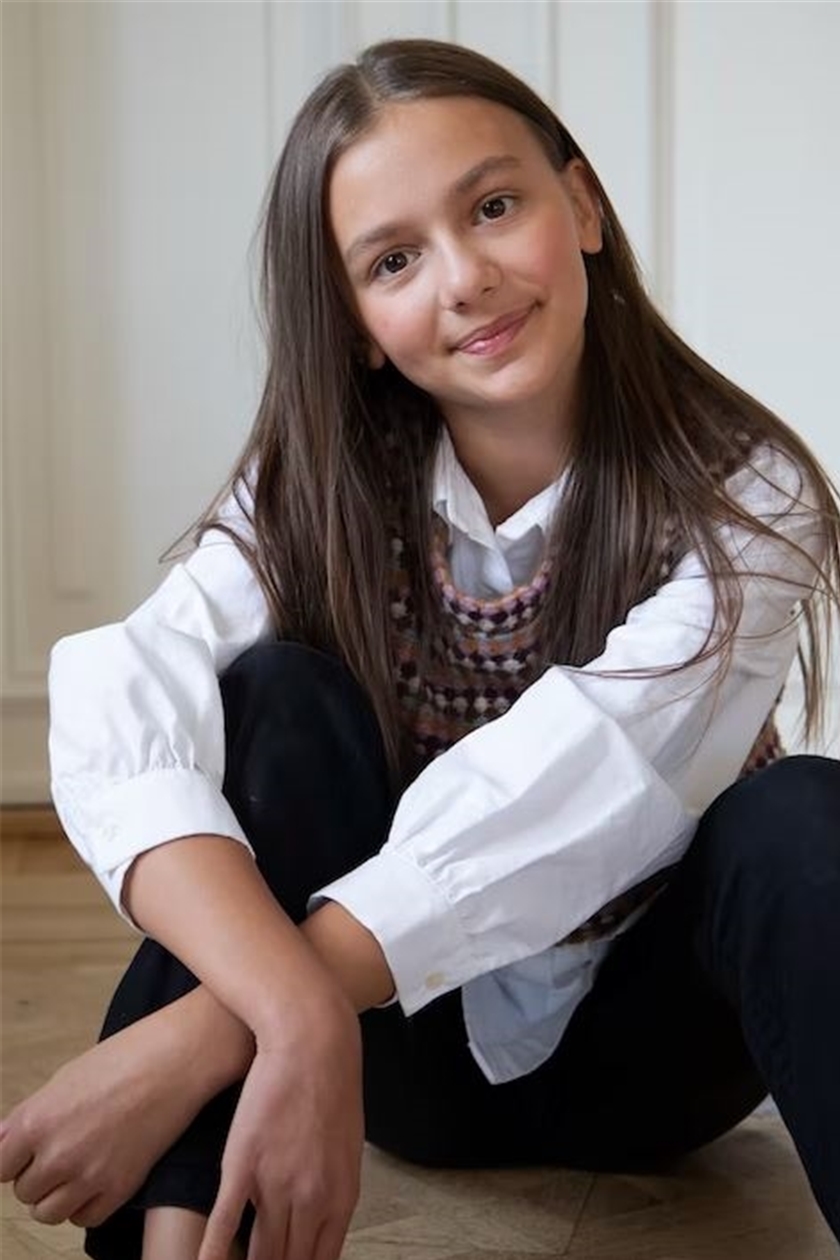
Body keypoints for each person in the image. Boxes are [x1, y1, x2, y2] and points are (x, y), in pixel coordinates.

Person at [1, 35, 839, 1260]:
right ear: (355, 323)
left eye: (494, 208)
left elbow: (589, 781)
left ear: (583, 207)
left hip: (651, 1056)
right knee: (275, 697)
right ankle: (177, 1245)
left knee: (806, 818)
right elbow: (131, 680)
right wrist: (295, 1009)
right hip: (404, 1047)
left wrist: (219, 1028)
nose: (466, 279)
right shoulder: (316, 489)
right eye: (394, 260)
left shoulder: (748, 496)